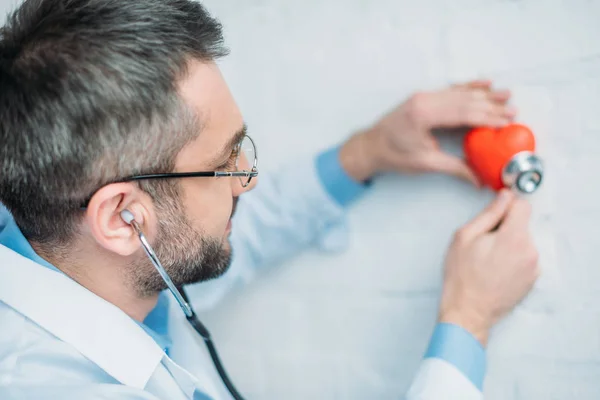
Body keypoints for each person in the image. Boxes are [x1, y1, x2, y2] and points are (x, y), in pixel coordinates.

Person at [0, 0, 539, 399]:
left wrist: (369, 151)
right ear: (122, 218)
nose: (247, 182)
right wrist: (469, 320)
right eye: (225, 162)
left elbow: (217, 233)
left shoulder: (66, 246)